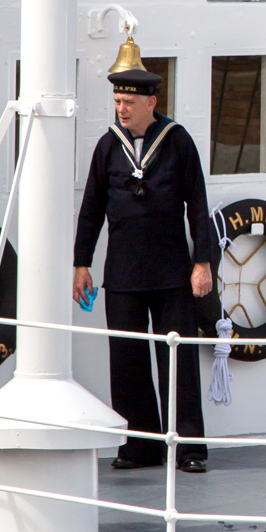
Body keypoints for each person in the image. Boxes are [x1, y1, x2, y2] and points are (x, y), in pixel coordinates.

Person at [73, 56, 214, 472]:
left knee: (178, 362)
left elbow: (199, 206)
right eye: (117, 100)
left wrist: (202, 262)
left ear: (152, 101)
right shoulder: (107, 145)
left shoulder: (177, 141)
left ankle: (188, 448)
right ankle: (140, 446)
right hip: (123, 274)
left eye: (129, 101)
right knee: (127, 362)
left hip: (172, 271)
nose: (121, 108)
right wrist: (82, 263)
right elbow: (91, 209)